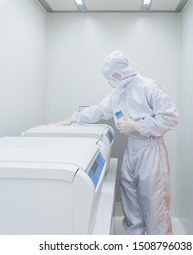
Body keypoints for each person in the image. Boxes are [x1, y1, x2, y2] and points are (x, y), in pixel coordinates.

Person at [52, 50, 178, 235]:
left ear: (119, 74)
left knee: (154, 202)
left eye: (110, 77)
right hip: (132, 148)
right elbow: (99, 110)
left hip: (151, 149)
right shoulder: (118, 93)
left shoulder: (148, 87)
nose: (109, 81)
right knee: (130, 198)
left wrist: (138, 125)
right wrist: (72, 119)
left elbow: (170, 117)